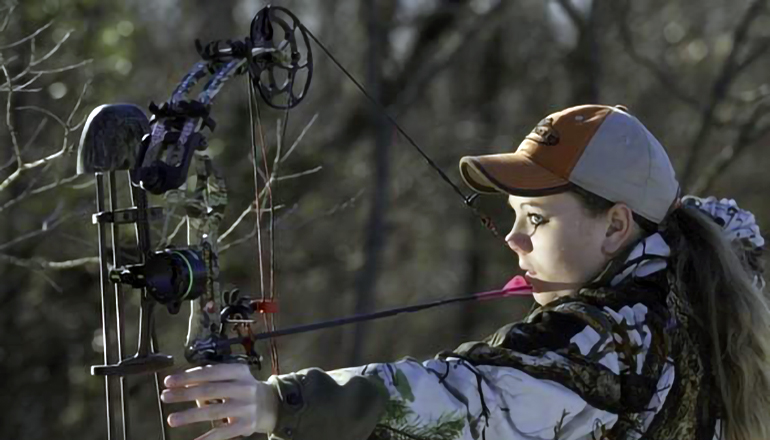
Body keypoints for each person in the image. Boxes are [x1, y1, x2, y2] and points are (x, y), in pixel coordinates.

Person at [159, 105, 770, 440]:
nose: (513, 238)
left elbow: (469, 398)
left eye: (538, 219)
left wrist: (282, 405)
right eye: (512, 215)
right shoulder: (720, 289)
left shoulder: (608, 339)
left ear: (615, 226)